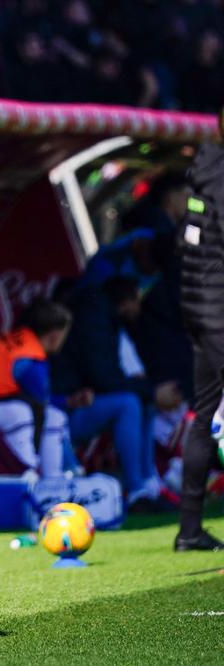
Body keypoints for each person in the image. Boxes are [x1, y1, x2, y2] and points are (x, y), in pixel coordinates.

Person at [53, 277, 178, 511]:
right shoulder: (94, 318)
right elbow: (104, 377)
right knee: (129, 403)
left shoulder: (107, 319)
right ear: (125, 302)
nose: (138, 309)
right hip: (64, 412)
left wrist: (150, 393)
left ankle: (150, 485)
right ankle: (136, 491)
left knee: (142, 400)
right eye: (136, 301)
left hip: (80, 403)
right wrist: (152, 391)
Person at [0, 299, 74, 479]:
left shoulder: (22, 339)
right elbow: (40, 405)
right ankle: (28, 476)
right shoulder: (31, 357)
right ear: (55, 335)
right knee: (24, 413)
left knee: (53, 416)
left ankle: (53, 481)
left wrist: (67, 401)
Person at [177, 130, 224, 552]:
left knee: (206, 414)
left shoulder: (202, 176)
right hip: (218, 311)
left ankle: (190, 529)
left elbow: (187, 242)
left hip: (197, 309)